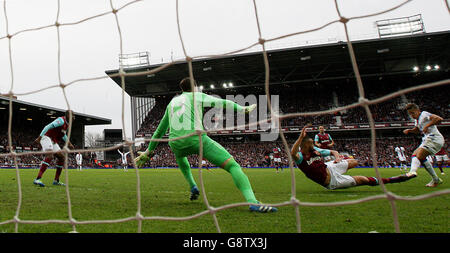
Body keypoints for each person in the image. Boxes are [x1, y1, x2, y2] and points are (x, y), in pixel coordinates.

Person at [134, 77, 277, 213]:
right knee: (233, 166)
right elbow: (222, 103)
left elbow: (159, 131)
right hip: (195, 138)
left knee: (181, 157)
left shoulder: (171, 103)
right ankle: (253, 202)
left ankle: (193, 186)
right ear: (195, 88)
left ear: (182, 89)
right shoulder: (197, 96)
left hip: (175, 143)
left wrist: (148, 152)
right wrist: (242, 109)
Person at [290, 125, 412, 190]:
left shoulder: (316, 150)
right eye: (310, 143)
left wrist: (337, 158)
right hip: (332, 181)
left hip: (330, 167)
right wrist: (300, 137)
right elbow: (292, 153)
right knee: (363, 180)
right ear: (304, 145)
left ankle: (343, 168)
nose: (313, 145)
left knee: (354, 161)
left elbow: (333, 151)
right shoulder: (300, 157)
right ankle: (393, 179)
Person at [403, 103, 444, 187]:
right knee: (415, 154)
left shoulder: (424, 114)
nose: (411, 115)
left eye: (413, 113)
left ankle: (412, 172)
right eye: (410, 114)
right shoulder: (417, 120)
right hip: (427, 139)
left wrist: (427, 126)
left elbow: (439, 119)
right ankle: (435, 179)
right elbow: (418, 130)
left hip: (434, 138)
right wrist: (410, 130)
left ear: (418, 111)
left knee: (420, 155)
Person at [33, 110, 75, 187]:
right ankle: (37, 179)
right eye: (73, 115)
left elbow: (63, 135)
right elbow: (48, 126)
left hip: (53, 140)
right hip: (46, 137)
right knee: (50, 156)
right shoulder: (61, 120)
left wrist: (69, 143)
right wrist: (40, 137)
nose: (74, 117)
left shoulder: (67, 124)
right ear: (68, 115)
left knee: (61, 157)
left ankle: (56, 180)